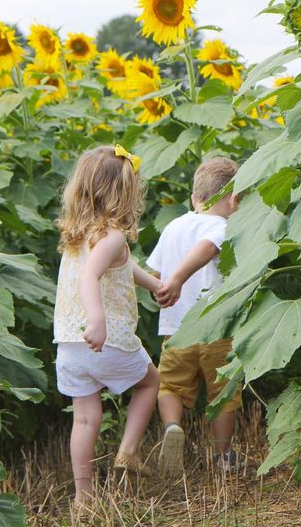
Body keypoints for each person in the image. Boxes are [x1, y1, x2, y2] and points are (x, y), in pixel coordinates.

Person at [54, 144, 160, 509]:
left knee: (85, 419)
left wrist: (156, 284)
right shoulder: (113, 236)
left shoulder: (76, 235)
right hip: (106, 338)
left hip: (69, 344)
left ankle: (84, 499)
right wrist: (97, 320)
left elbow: (121, 268)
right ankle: (128, 451)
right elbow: (90, 276)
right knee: (150, 382)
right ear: (124, 194)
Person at [147, 157, 242, 476]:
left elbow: (155, 273)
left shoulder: (173, 226)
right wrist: (179, 279)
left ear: (194, 198)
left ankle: (173, 428)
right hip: (218, 328)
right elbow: (208, 246)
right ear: (234, 199)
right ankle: (224, 456)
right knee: (223, 394)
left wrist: (165, 286)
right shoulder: (223, 226)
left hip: (176, 330)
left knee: (170, 387)